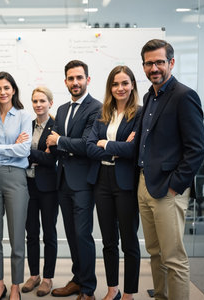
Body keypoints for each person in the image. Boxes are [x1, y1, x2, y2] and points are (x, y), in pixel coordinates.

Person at [135, 39, 204, 300]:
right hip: (145, 184)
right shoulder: (149, 96)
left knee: (174, 257)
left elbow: (197, 149)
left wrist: (176, 184)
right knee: (155, 252)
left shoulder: (184, 96)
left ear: (171, 63)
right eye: (149, 63)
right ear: (143, 66)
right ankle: (162, 296)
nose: (154, 67)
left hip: (168, 188)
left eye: (159, 62)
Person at [46, 60, 101, 300]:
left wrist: (59, 141)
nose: (75, 82)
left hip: (83, 183)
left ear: (87, 79)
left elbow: (87, 146)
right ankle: (78, 279)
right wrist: (60, 143)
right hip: (63, 181)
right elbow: (54, 143)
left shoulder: (97, 108)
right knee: (70, 234)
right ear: (66, 81)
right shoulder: (61, 109)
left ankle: (88, 287)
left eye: (79, 78)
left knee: (82, 235)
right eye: (71, 78)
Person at [86, 65, 141, 300]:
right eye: (115, 84)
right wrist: (117, 150)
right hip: (102, 181)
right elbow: (89, 147)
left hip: (126, 182)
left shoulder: (140, 113)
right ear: (110, 87)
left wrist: (105, 144)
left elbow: (134, 149)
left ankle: (128, 293)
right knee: (108, 241)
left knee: (129, 242)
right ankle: (113, 290)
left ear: (132, 85)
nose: (120, 88)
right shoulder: (102, 113)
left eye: (125, 83)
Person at [0, 71, 32, 300]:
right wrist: (7, 147)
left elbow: (25, 151)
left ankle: (15, 286)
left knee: (16, 237)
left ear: (13, 90)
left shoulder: (23, 116)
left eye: (7, 88)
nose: (3, 92)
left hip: (16, 178)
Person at [22, 87, 58, 297]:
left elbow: (52, 159)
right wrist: (38, 154)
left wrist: (30, 153)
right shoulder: (27, 125)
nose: (38, 105)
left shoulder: (55, 127)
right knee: (31, 233)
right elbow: (20, 154)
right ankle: (34, 275)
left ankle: (47, 278)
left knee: (49, 233)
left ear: (50, 103)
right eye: (35, 101)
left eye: (42, 101)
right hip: (28, 185)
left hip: (48, 187)